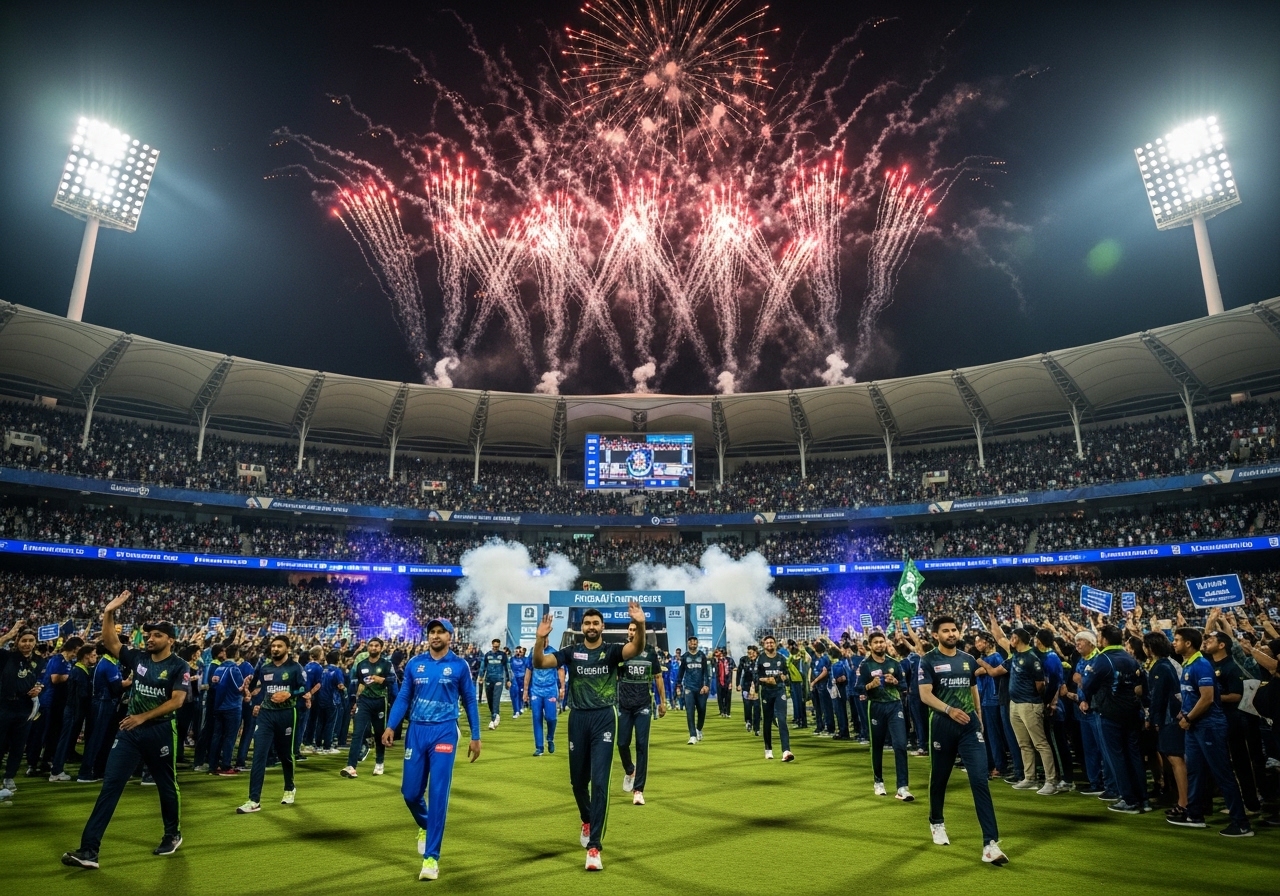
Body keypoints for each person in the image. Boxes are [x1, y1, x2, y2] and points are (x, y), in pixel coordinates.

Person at [62, 592, 191, 870]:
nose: (150, 638)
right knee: (111, 786)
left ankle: (172, 834)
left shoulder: (179, 666)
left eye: (157, 635)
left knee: (167, 785)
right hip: (131, 732)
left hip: (159, 732)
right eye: (148, 634)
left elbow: (178, 701)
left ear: (170, 640)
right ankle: (89, 851)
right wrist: (108, 612)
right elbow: (110, 641)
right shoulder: (139, 658)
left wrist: (142, 716)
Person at [532, 601, 647, 871]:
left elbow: (636, 648)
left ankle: (594, 846)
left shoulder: (611, 652)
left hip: (605, 718)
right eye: (587, 623)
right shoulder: (572, 652)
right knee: (577, 782)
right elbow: (540, 662)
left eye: (596, 623)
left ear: (603, 627)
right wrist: (540, 639)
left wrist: (640, 624)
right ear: (581, 627)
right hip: (578, 719)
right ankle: (587, 818)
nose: (591, 627)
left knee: (600, 784)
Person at [383, 618, 481, 881]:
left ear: (451, 636)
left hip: (445, 731)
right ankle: (425, 825)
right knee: (410, 792)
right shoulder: (415, 664)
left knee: (438, 792)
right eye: (432, 632)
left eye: (441, 632)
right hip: (416, 730)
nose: (435, 636)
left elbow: (470, 700)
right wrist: (391, 725)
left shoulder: (459, 666)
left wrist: (476, 735)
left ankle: (431, 858)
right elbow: (404, 697)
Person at [917, 615, 1007, 866]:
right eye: (945, 631)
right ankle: (936, 822)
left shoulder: (968, 660)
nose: (951, 634)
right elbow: (925, 695)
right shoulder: (928, 660)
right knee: (940, 778)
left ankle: (990, 844)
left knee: (980, 779)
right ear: (936, 635)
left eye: (954, 629)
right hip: (943, 725)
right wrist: (948, 710)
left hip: (969, 727)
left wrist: (978, 717)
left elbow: (972, 689)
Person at [1169, 627, 1252, 837]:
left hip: (1209, 727)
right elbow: (1193, 696)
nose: (1174, 643)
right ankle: (1195, 815)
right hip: (1196, 727)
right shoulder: (1189, 664)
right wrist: (1183, 713)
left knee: (1222, 773)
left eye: (1177, 640)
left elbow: (1207, 698)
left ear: (1188, 643)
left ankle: (1241, 824)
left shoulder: (1201, 665)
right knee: (1195, 771)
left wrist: (1188, 717)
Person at [1080, 625, 1147, 814]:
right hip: (1131, 712)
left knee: (1116, 756)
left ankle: (1129, 799)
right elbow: (1142, 684)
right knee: (1133, 756)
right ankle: (1143, 799)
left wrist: (1087, 695)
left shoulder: (1103, 659)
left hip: (1110, 713)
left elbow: (1087, 685)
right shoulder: (1129, 658)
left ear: (1104, 639)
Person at [237, 635, 307, 813]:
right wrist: (250, 695)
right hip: (266, 715)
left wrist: (289, 693)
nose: (275, 649)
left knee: (285, 755)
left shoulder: (294, 667)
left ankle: (290, 787)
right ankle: (254, 800)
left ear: (287, 648)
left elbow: (303, 688)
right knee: (259, 756)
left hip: (286, 714)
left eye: (279, 646)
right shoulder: (265, 667)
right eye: (273, 646)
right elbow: (259, 688)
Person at [1003, 626, 1058, 795]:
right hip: (1015, 704)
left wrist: (1041, 700)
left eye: (1012, 637)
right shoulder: (1017, 655)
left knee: (1040, 743)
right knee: (1024, 744)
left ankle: (1051, 781)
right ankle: (1030, 778)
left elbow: (1040, 685)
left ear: (1017, 639)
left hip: (1030, 704)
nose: (1010, 639)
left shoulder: (1032, 658)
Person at [617, 620, 667, 806]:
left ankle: (638, 790)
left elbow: (658, 677)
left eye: (634, 629)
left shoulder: (651, 652)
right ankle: (630, 770)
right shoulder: (621, 652)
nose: (631, 632)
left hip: (643, 706)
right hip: (623, 705)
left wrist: (663, 702)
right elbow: (613, 676)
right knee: (622, 743)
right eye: (629, 629)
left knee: (641, 744)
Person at [859, 632, 912, 801]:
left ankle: (902, 787)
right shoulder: (865, 665)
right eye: (876, 642)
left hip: (895, 706)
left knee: (900, 745)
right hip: (876, 707)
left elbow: (904, 686)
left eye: (882, 642)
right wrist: (870, 685)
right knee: (877, 745)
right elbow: (857, 689)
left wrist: (895, 682)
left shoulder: (894, 663)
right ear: (870, 645)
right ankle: (878, 781)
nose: (880, 645)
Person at [1143, 632, 1189, 821]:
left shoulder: (1160, 667)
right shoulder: (1166, 664)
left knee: (1176, 760)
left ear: (1150, 648)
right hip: (1171, 718)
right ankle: (1181, 800)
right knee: (1175, 760)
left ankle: (1184, 804)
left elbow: (1158, 697)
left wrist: (1153, 719)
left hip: (1170, 719)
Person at [342, 637, 397, 778]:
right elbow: (356, 684)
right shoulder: (361, 665)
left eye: (376, 646)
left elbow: (393, 680)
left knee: (379, 734)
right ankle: (351, 766)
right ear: (367, 647)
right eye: (371, 645)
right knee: (357, 733)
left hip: (380, 701)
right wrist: (354, 701)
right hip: (364, 702)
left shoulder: (386, 664)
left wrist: (382, 680)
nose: (373, 648)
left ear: (381, 648)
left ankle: (379, 762)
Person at [0, 622, 43, 793]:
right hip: (4, 705)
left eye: (31, 640)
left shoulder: (39, 661)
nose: (27, 644)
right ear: (17, 641)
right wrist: (10, 634)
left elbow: (40, 679)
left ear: (35, 642)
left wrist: (39, 688)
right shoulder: (6, 657)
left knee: (19, 746)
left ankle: (9, 777)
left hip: (25, 708)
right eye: (24, 640)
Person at [78, 640, 127, 783]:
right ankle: (85, 773)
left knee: (101, 739)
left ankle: (96, 771)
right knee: (96, 740)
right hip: (103, 704)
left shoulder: (107, 662)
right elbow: (116, 688)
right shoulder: (108, 665)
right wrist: (131, 681)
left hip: (103, 703)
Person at [50, 643, 96, 781]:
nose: (96, 657)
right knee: (65, 741)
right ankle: (56, 771)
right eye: (93, 655)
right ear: (86, 656)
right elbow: (81, 694)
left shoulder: (79, 670)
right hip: (73, 710)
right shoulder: (79, 672)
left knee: (67, 741)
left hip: (74, 710)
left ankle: (57, 769)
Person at [209, 644, 247, 776]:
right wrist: (247, 684)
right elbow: (239, 689)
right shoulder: (234, 669)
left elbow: (213, 686)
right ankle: (226, 766)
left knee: (217, 736)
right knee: (230, 737)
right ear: (236, 654)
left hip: (219, 706)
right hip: (232, 707)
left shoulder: (219, 668)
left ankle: (212, 766)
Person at [755, 635, 794, 761]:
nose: (770, 645)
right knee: (767, 721)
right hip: (766, 692)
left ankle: (786, 751)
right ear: (764, 645)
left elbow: (786, 674)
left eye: (772, 642)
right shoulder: (760, 659)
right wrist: (767, 680)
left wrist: (783, 678)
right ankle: (768, 749)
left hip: (779, 691)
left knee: (782, 719)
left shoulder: (781, 658)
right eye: (767, 643)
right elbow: (757, 677)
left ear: (775, 644)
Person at [525, 643, 565, 756]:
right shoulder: (533, 651)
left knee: (551, 718)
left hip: (550, 690)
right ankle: (539, 747)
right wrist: (526, 690)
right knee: (537, 717)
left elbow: (560, 669)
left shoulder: (553, 651)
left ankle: (550, 738)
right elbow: (528, 670)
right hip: (536, 690)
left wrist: (562, 687)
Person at [676, 636, 709, 744]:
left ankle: (699, 729)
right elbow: (680, 673)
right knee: (690, 712)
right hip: (689, 688)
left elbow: (706, 672)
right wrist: (678, 686)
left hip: (701, 689)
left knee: (702, 710)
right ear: (688, 644)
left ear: (697, 644)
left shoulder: (702, 656)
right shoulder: (685, 657)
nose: (693, 645)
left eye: (695, 643)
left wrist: (706, 685)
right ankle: (692, 735)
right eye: (691, 643)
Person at [481, 638, 509, 730]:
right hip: (489, 680)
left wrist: (508, 680)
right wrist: (481, 677)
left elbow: (507, 668)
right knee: (490, 701)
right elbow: (483, 667)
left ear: (499, 645)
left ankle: (494, 719)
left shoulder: (503, 655)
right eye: (494, 646)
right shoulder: (487, 655)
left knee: (496, 699)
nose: (496, 648)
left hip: (498, 680)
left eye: (497, 646)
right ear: (492, 645)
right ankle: (494, 715)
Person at [737, 645, 760, 735]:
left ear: (756, 652)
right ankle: (748, 721)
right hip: (746, 687)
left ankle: (757, 728)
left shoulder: (760, 661)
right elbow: (739, 671)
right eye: (749, 653)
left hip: (757, 688)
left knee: (757, 708)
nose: (750, 655)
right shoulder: (743, 660)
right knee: (747, 706)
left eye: (752, 653)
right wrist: (738, 684)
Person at [509, 646, 530, 719]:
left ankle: (521, 707)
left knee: (521, 694)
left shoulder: (526, 659)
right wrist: (508, 680)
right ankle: (516, 711)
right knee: (515, 694)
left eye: (520, 652)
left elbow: (529, 670)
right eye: (517, 652)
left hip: (523, 678)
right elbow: (508, 669)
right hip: (514, 678)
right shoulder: (512, 659)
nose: (518, 653)